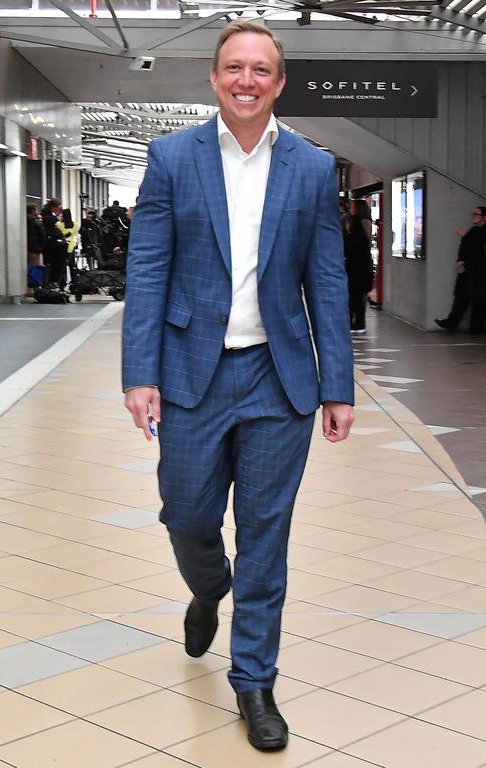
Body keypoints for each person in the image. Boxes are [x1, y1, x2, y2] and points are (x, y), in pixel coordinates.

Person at [122, 21, 354, 752]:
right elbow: (148, 269)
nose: (246, 80)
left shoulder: (314, 168)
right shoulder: (171, 159)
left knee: (266, 535)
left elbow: (327, 279)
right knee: (185, 513)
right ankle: (206, 589)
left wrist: (337, 384)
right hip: (192, 371)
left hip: (278, 378)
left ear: (279, 83)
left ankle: (253, 679)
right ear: (214, 78)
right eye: (233, 68)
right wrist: (140, 374)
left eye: (261, 69)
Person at [436, 206, 486, 333]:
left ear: (484, 218)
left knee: (478, 300)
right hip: (468, 270)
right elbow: (465, 247)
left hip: (479, 271)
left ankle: (476, 328)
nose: (473, 216)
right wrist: (460, 259)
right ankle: (451, 322)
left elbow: (478, 247)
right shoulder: (474, 230)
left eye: (477, 214)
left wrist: (465, 236)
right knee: (462, 297)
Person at [343, 198, 373, 332]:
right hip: (361, 269)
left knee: (353, 297)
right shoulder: (361, 229)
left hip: (354, 269)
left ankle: (355, 323)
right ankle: (358, 323)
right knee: (357, 298)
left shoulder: (360, 226)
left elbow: (350, 247)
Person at [40, 198, 66, 287]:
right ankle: (48, 282)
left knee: (55, 263)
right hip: (49, 243)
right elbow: (50, 223)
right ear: (53, 206)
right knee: (50, 263)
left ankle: (52, 281)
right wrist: (57, 217)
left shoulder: (49, 214)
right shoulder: (47, 215)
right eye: (57, 207)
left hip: (52, 242)